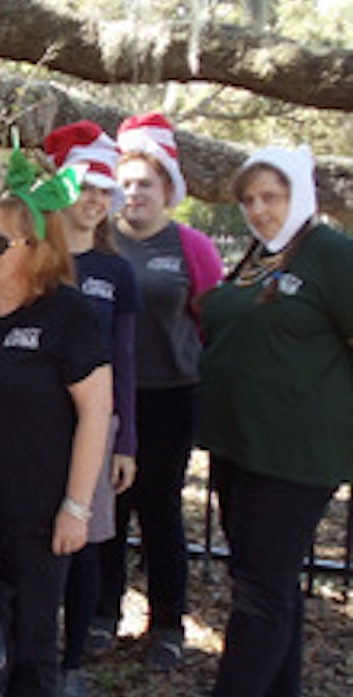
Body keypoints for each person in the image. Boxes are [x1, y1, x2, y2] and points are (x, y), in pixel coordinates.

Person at [0, 147, 112, 697]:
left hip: (38, 515)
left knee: (33, 652)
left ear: (37, 250)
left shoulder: (71, 316)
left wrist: (77, 508)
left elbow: (96, 412)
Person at [200, 146, 353, 697]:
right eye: (249, 200)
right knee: (271, 585)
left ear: (301, 194)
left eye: (272, 196)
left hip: (293, 456)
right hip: (238, 444)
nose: (259, 210)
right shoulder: (262, 256)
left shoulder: (331, 253)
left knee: (258, 595)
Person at [94, 113, 222, 669]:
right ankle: (101, 614)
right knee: (110, 511)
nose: (134, 193)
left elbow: (213, 319)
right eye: (124, 184)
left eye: (145, 183)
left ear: (167, 188)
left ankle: (167, 623)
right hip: (113, 399)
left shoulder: (188, 245)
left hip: (172, 396)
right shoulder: (102, 242)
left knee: (161, 510)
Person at [44, 121, 141, 694]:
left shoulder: (117, 272)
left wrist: (124, 440)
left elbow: (125, 362)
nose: (94, 201)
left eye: (105, 192)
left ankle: (72, 660)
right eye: (85, 188)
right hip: (36, 422)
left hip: (95, 427)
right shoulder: (39, 261)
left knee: (84, 546)